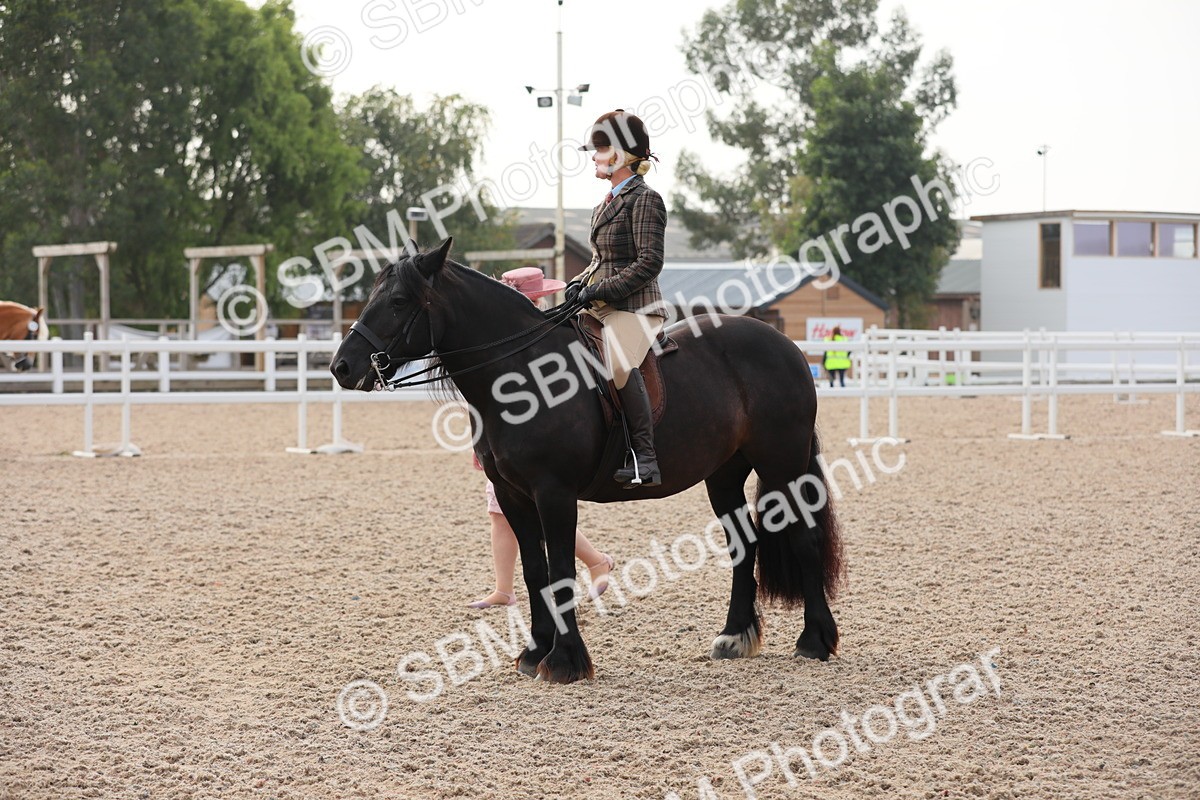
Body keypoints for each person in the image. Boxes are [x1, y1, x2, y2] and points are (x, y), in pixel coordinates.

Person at [468, 267, 615, 609]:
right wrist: (480, 439)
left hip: (528, 442)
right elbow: (481, 395)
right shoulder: (505, 337)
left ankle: (596, 561)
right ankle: (505, 588)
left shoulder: (542, 336)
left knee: (538, 511)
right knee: (501, 510)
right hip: (504, 439)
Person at [566, 109, 667, 488]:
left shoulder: (646, 200)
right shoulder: (603, 204)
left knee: (620, 365)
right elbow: (599, 260)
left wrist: (598, 290)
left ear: (621, 154)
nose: (593, 156)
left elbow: (648, 263)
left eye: (600, 149)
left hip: (636, 307)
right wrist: (576, 285)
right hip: (600, 304)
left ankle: (645, 458)